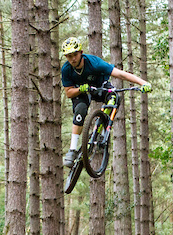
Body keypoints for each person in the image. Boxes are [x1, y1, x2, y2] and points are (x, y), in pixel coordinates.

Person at [60, 37, 152, 167]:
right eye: (69, 56)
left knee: (114, 97)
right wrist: (80, 89)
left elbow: (120, 74)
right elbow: (68, 92)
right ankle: (72, 150)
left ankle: (102, 132)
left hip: (99, 87)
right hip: (82, 92)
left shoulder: (94, 63)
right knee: (80, 111)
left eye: (75, 54)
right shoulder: (66, 69)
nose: (73, 59)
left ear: (81, 52)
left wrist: (143, 83)